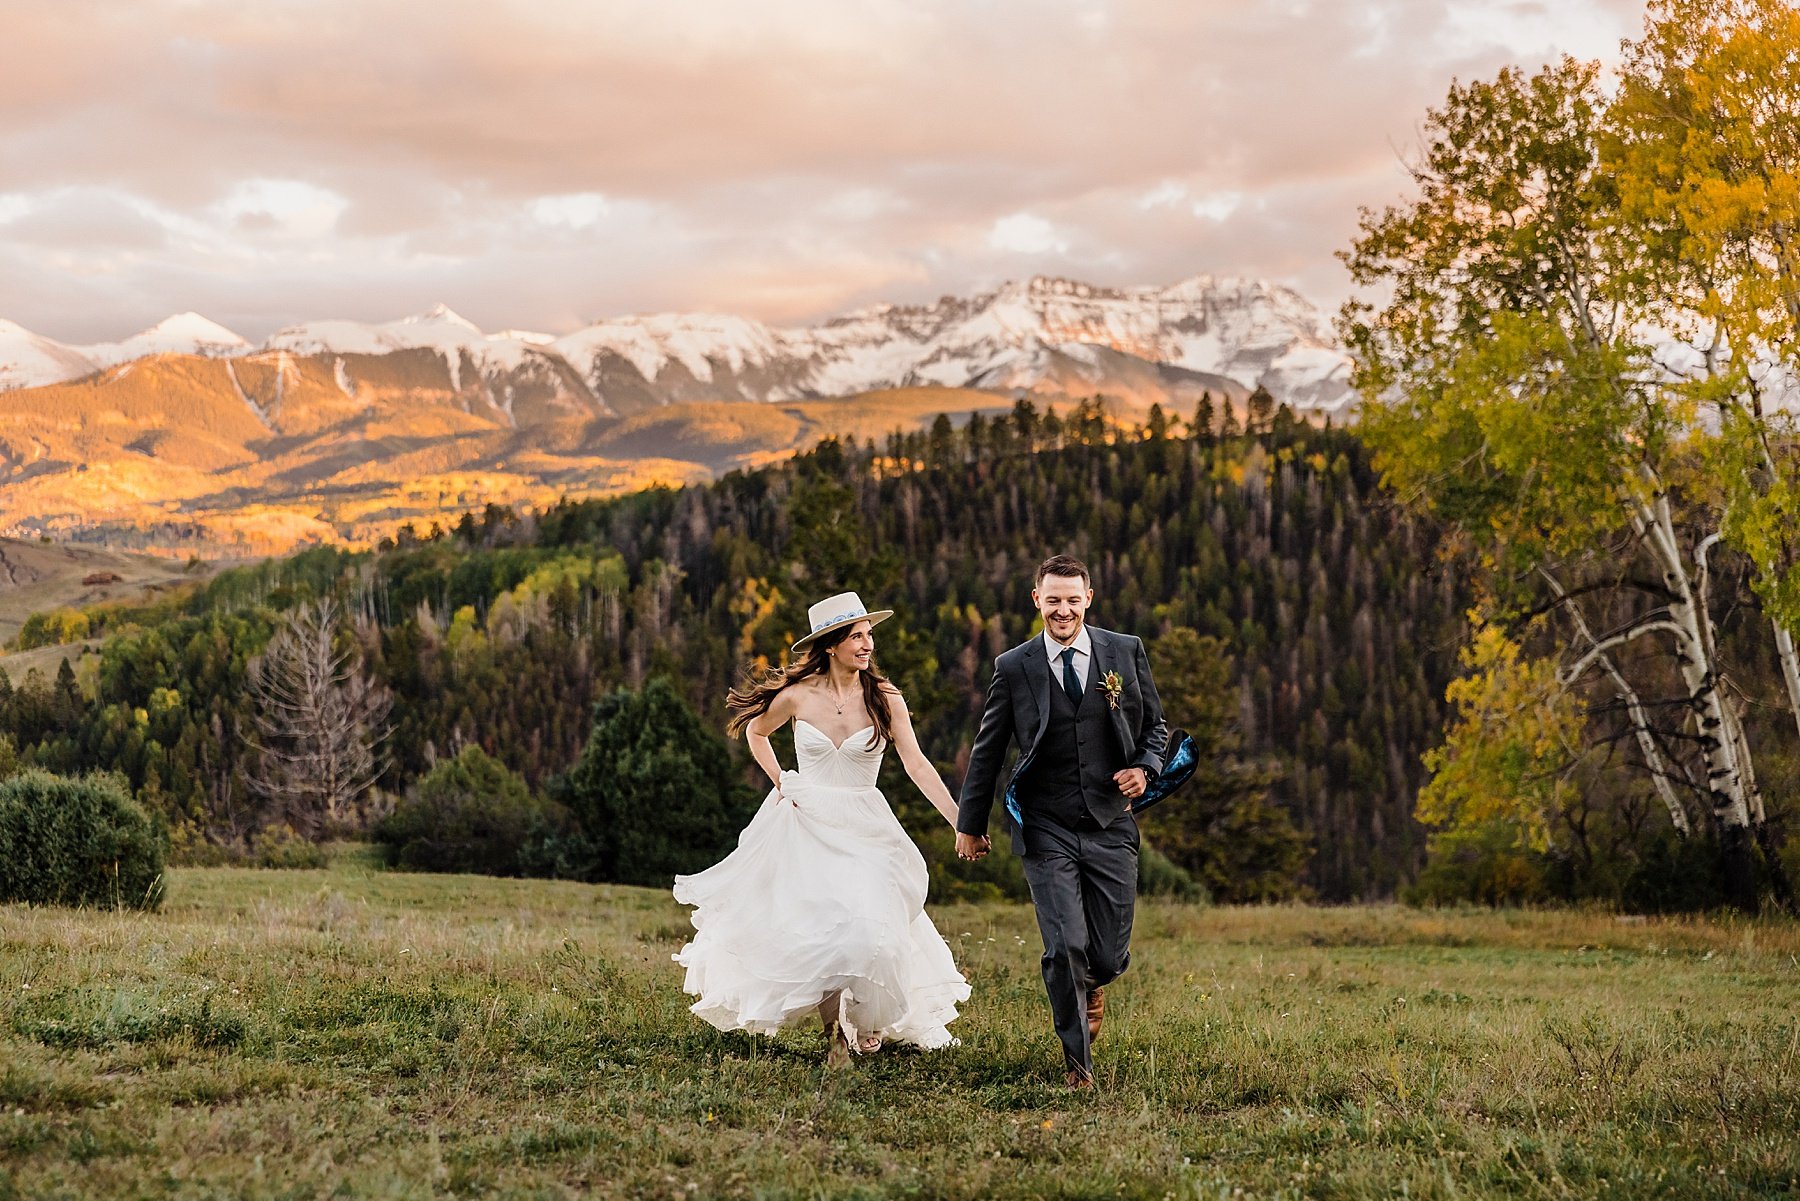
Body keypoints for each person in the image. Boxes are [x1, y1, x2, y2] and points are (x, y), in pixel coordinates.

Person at [672, 591, 969, 1066]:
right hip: (806, 821)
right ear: (831, 645)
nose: (868, 644)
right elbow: (754, 731)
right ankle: (835, 1038)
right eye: (857, 636)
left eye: (869, 635)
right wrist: (781, 782)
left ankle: (868, 1018)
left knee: (871, 922)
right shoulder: (798, 695)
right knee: (825, 928)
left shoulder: (885, 698)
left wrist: (960, 819)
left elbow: (915, 762)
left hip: (865, 823)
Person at [956, 554, 1169, 1089]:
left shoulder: (1124, 651)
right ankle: (1078, 1066)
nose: (1063, 610)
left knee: (1108, 952)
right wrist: (970, 822)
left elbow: (1156, 727)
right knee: (1064, 946)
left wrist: (1145, 768)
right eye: (1053, 600)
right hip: (1046, 825)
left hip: (1110, 822)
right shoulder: (1014, 667)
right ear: (1036, 600)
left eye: (1073, 600)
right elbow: (988, 750)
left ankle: (1095, 982)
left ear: (1088, 599)